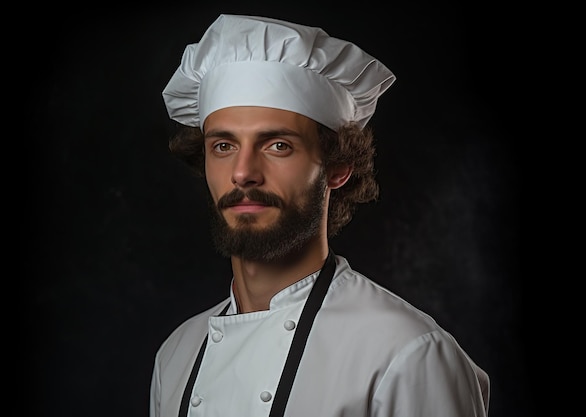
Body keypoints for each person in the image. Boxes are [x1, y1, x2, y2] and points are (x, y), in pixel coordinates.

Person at [150, 14, 490, 417]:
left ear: (336, 167)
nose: (242, 172)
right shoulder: (176, 356)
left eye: (277, 145)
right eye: (223, 146)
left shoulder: (406, 354)